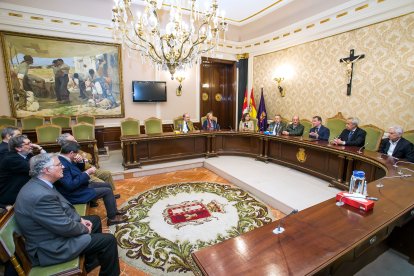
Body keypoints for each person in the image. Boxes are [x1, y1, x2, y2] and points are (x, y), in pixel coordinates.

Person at [14, 153, 120, 275]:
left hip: (51, 232)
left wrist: (79, 219)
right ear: (47, 170)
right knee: (109, 240)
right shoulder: (40, 196)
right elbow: (63, 226)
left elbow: (59, 212)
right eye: (59, 165)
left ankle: (89, 263)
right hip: (52, 247)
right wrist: (84, 228)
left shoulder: (40, 183)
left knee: (95, 220)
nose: (63, 167)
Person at [56, 141, 126, 226]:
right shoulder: (63, 164)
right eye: (76, 153)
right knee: (106, 191)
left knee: (107, 185)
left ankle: (114, 211)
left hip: (80, 186)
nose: (77, 155)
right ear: (71, 153)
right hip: (74, 194)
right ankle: (112, 218)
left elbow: (77, 171)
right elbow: (70, 185)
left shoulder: (66, 159)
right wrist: (87, 173)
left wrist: (80, 161)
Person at [56, 133, 119, 198]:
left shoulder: (75, 147)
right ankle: (101, 196)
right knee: (101, 183)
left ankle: (111, 194)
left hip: (88, 168)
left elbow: (89, 155)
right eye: (73, 140)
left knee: (107, 173)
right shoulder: (65, 154)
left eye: (74, 139)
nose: (76, 141)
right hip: (83, 174)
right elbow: (75, 173)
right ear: (66, 144)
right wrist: (85, 167)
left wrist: (83, 159)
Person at [0, 135, 45, 207]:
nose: (32, 145)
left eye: (31, 142)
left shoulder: (27, 155)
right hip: (11, 197)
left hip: (22, 191)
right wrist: (40, 149)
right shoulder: (12, 159)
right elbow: (41, 168)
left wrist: (40, 148)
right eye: (28, 144)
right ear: (18, 148)